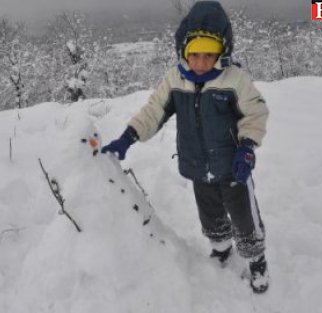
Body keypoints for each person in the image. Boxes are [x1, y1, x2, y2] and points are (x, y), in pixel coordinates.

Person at [101, 1, 270, 293]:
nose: (201, 61)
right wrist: (129, 136)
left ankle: (256, 258)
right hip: (196, 166)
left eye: (209, 54)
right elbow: (154, 111)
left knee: (244, 215)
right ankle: (220, 248)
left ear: (222, 51)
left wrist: (247, 147)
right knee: (211, 215)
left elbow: (255, 114)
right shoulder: (175, 79)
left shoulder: (235, 80)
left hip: (233, 168)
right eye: (194, 54)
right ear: (184, 51)